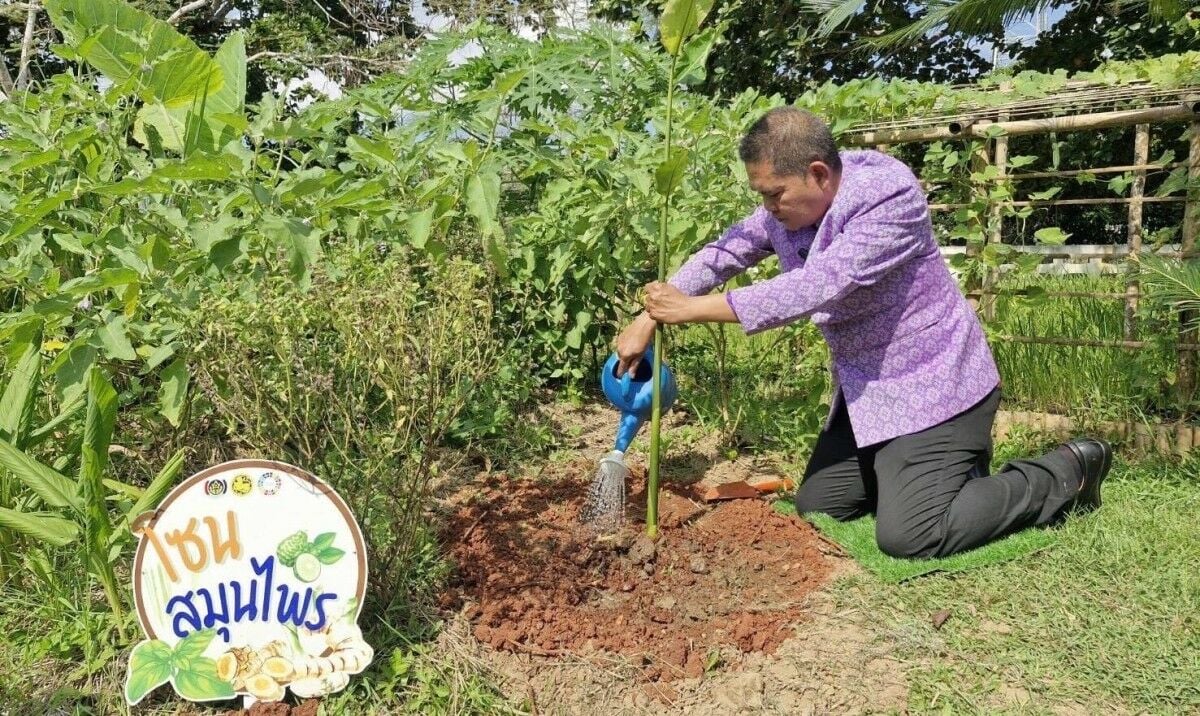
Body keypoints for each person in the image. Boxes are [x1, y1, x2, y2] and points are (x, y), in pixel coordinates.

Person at [614, 107, 1112, 559]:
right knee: (821, 505)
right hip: (868, 393)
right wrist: (650, 316)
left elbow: (818, 285)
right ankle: (928, 475)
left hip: (935, 387)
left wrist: (691, 310)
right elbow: (727, 251)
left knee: (912, 535)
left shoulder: (889, 201)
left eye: (772, 194)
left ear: (817, 173)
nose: (766, 208)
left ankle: (1064, 472)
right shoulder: (793, 203)